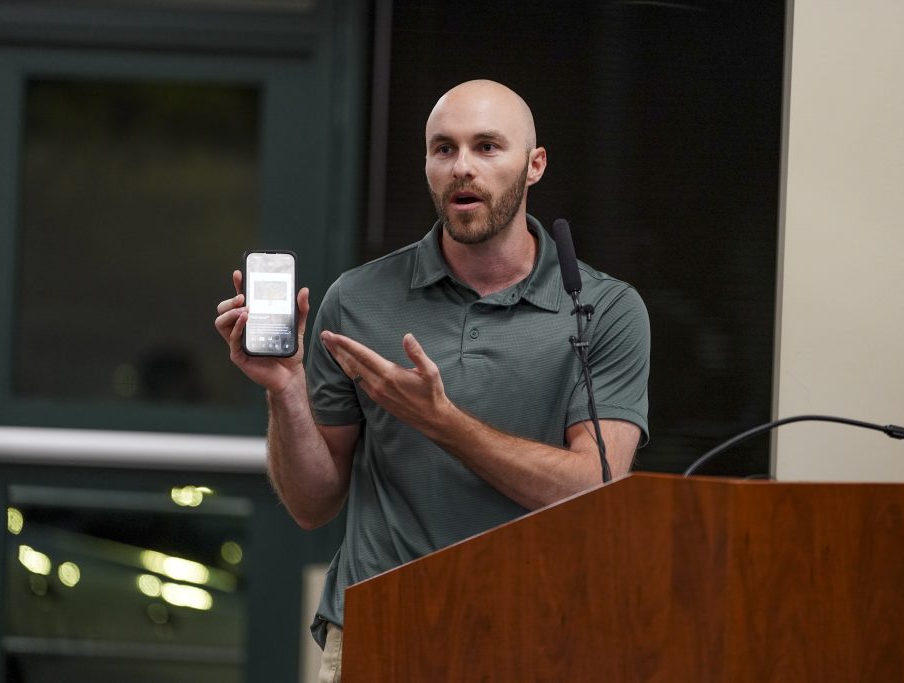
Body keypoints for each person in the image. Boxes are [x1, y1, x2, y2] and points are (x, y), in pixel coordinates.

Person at [214, 79, 649, 682]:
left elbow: (592, 488)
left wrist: (443, 424)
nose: (462, 168)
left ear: (535, 164)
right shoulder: (358, 299)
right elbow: (313, 505)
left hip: (539, 637)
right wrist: (284, 388)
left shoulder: (601, 308)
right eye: (443, 149)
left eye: (487, 147)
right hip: (378, 629)